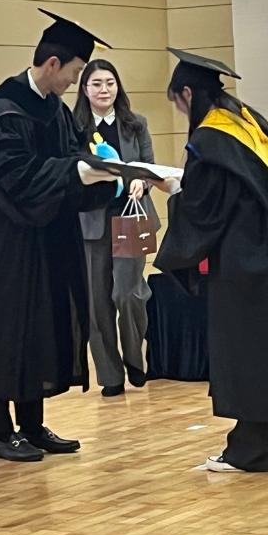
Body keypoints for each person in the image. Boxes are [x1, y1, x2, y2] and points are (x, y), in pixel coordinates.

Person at [0, 9, 117, 463]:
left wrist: (102, 174)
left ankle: (32, 426)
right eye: (74, 72)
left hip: (42, 242)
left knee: (39, 329)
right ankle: (2, 431)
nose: (74, 82)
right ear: (53, 64)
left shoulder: (54, 110)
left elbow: (72, 159)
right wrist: (75, 172)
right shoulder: (3, 111)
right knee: (1, 333)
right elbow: (18, 178)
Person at [153, 49, 268, 473]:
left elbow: (204, 207)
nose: (181, 112)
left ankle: (248, 450)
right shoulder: (249, 123)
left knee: (249, 353)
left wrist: (174, 190)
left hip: (245, 262)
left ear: (187, 93)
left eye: (178, 103)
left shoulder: (211, 139)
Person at [74, 60, 161, 397]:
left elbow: (150, 166)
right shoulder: (74, 128)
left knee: (128, 293)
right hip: (91, 222)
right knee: (97, 302)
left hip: (130, 218)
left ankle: (135, 357)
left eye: (110, 83)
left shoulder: (135, 124)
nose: (104, 90)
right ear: (85, 89)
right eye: (96, 84)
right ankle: (110, 375)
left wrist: (142, 181)